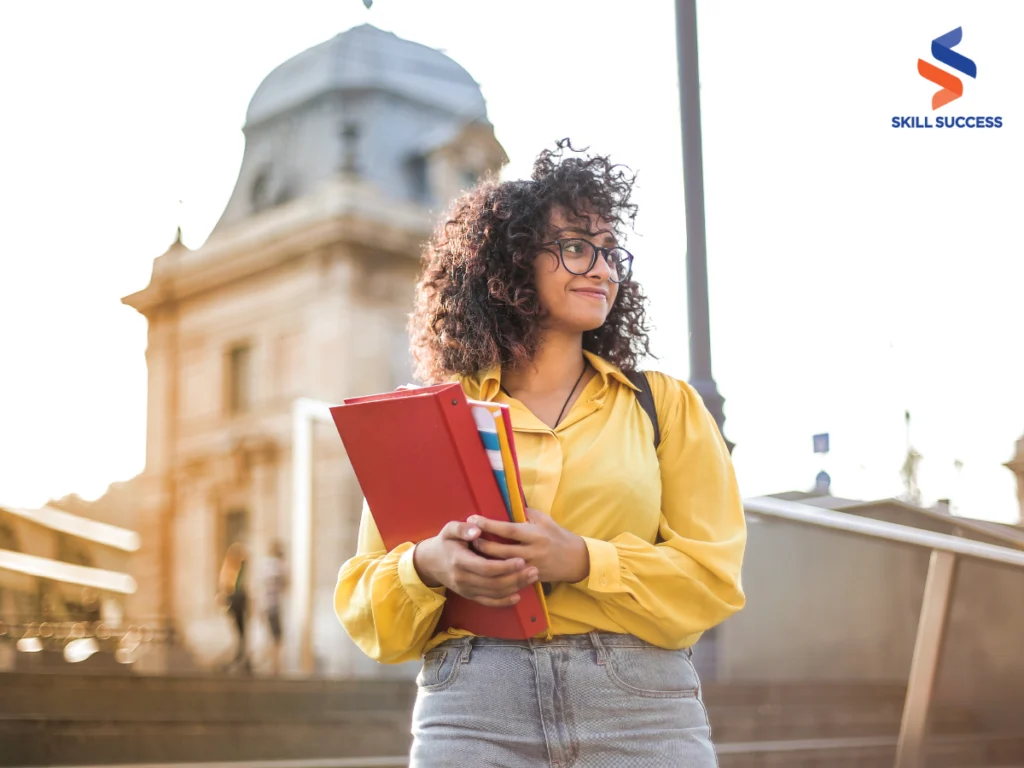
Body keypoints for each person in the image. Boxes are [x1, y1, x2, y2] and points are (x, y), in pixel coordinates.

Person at [335, 140, 746, 766]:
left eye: (611, 252)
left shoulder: (664, 406)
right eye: (577, 246)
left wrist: (582, 560)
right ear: (510, 262)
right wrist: (427, 566)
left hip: (639, 707)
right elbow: (368, 604)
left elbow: (712, 580)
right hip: (472, 706)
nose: (603, 268)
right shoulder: (436, 417)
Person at [218, 542, 250, 674]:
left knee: (241, 632)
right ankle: (240, 656)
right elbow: (227, 587)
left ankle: (241, 656)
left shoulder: (235, 568)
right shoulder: (234, 569)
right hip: (236, 601)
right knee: (240, 632)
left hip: (237, 601)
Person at [262, 539, 288, 675]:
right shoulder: (278, 566)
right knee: (277, 637)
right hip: (274, 605)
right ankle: (275, 664)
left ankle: (272, 662)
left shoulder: (265, 565)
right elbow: (285, 584)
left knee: (272, 635)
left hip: (266, 605)